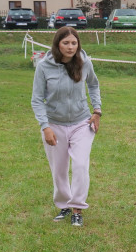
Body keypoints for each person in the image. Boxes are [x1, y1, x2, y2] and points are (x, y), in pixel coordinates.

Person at [31, 26, 102, 227]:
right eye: (66, 43)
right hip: (54, 124)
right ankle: (64, 205)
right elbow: (37, 99)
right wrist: (45, 127)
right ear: (57, 44)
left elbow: (94, 85)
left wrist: (97, 110)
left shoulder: (85, 62)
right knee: (59, 169)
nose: (71, 47)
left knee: (80, 165)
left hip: (82, 123)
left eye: (74, 43)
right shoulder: (44, 67)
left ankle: (77, 209)